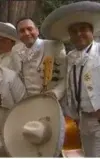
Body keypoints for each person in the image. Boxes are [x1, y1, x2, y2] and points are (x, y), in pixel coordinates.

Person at [41, 1, 100, 157]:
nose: (79, 34)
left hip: (98, 118)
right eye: (74, 31)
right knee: (87, 154)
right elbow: (67, 83)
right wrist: (54, 93)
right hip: (81, 119)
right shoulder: (70, 57)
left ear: (92, 31)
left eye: (83, 29)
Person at [10, 17, 66, 100]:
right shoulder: (15, 50)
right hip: (27, 102)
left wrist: (55, 93)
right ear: (18, 35)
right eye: (22, 31)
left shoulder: (54, 46)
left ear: (37, 30)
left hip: (52, 101)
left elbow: (66, 76)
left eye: (30, 29)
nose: (26, 33)